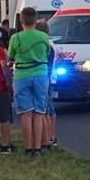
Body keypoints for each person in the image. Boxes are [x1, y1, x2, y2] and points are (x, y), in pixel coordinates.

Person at [7, 7, 51, 157]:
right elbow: (47, 53)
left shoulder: (16, 38)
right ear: (35, 19)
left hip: (22, 75)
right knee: (39, 112)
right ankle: (38, 148)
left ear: (21, 21)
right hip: (41, 74)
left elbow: (10, 56)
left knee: (26, 114)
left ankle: (28, 148)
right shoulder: (44, 37)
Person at [34, 20, 58, 149]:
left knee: (47, 109)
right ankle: (50, 136)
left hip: (46, 78)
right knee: (48, 108)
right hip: (50, 78)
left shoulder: (46, 45)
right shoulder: (52, 44)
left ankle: (50, 137)